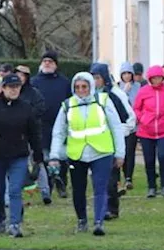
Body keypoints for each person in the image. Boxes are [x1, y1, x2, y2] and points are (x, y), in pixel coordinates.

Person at [49, 71, 125, 236]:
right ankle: (82, 220)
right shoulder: (67, 105)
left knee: (100, 187)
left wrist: (120, 153)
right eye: (77, 87)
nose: (81, 90)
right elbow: (58, 132)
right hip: (77, 153)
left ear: (91, 86)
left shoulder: (103, 101)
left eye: (84, 86)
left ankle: (99, 222)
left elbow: (116, 127)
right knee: (78, 189)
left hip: (101, 151)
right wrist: (54, 155)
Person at [0, 74, 42, 237]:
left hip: (18, 155)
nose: (14, 90)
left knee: (15, 190)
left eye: (17, 87)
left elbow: (34, 133)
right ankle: (0, 219)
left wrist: (38, 155)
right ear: (3, 89)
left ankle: (15, 223)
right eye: (11, 87)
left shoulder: (26, 108)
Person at [91, 63, 132, 221]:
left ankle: (111, 208)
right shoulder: (87, 96)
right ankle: (101, 206)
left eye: (98, 78)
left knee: (110, 178)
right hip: (94, 143)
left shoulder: (115, 94)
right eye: (92, 77)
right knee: (98, 179)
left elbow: (129, 118)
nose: (95, 81)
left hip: (112, 143)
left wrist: (119, 133)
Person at [32, 50, 72, 202]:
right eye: (45, 61)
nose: (47, 63)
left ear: (56, 64)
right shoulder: (35, 82)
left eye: (50, 61)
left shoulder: (64, 82)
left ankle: (62, 183)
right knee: (44, 156)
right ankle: (47, 185)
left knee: (61, 156)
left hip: (61, 124)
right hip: (41, 125)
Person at [133, 65, 164, 198]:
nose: (156, 80)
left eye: (159, 78)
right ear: (150, 78)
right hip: (146, 131)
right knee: (149, 160)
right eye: (154, 78)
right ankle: (151, 186)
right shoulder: (143, 91)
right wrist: (142, 118)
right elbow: (136, 108)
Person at [13, 63, 48, 201]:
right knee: (20, 163)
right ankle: (23, 189)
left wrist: (26, 116)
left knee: (37, 161)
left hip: (32, 132)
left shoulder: (34, 93)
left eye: (22, 75)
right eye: (17, 75)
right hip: (16, 133)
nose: (19, 78)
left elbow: (40, 109)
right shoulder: (12, 91)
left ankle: (45, 190)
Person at [117, 62, 144, 192]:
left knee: (130, 152)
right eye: (124, 73)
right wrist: (124, 91)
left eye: (129, 73)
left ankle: (128, 177)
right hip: (120, 125)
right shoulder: (117, 87)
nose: (127, 76)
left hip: (133, 125)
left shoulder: (138, 87)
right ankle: (118, 178)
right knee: (119, 152)